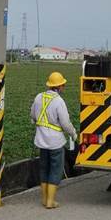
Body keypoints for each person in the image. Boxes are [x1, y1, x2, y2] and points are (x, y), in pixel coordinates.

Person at [30, 71, 78, 209]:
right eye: (63, 85)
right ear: (59, 86)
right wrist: (73, 134)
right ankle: (51, 201)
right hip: (55, 143)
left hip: (41, 141)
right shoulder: (58, 101)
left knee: (44, 168)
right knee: (55, 170)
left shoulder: (39, 97)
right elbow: (65, 123)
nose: (64, 87)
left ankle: (45, 199)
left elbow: (32, 115)